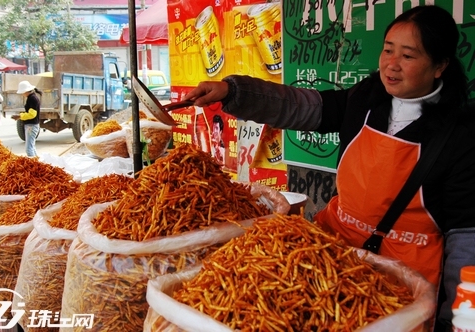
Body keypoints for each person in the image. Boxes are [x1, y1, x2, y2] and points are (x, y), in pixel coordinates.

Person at [184, 5, 475, 331]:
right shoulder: (367, 97)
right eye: (387, 50)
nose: (391, 65)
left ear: (440, 66)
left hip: (402, 285)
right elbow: (304, 107)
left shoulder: (460, 136)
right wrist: (233, 92)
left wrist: (457, 316)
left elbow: (465, 236)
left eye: (408, 56)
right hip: (332, 257)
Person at [14, 80, 42, 157]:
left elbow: (32, 114)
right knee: (32, 147)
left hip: (31, 126)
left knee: (29, 149)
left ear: (26, 91)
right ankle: (38, 163)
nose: (22, 94)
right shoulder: (32, 97)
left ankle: (33, 165)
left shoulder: (32, 99)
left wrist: (20, 116)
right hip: (32, 125)